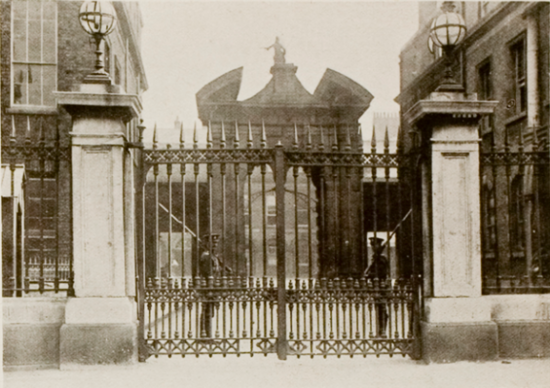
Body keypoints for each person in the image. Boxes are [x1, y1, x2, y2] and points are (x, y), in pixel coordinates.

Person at [198, 233, 231, 338]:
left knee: (210, 311)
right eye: (213, 243)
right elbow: (207, 272)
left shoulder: (213, 255)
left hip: (213, 286)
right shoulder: (206, 256)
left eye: (216, 243)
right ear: (207, 244)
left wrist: (225, 268)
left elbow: (220, 266)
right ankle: (205, 335)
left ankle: (207, 334)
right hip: (208, 286)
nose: (215, 245)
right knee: (207, 311)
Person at [364, 237, 389, 338]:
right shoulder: (375, 257)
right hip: (376, 286)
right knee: (378, 308)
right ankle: (379, 332)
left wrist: (369, 275)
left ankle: (382, 332)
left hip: (381, 286)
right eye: (372, 245)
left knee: (382, 309)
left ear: (379, 246)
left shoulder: (381, 259)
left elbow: (382, 273)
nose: (373, 247)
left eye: (375, 245)